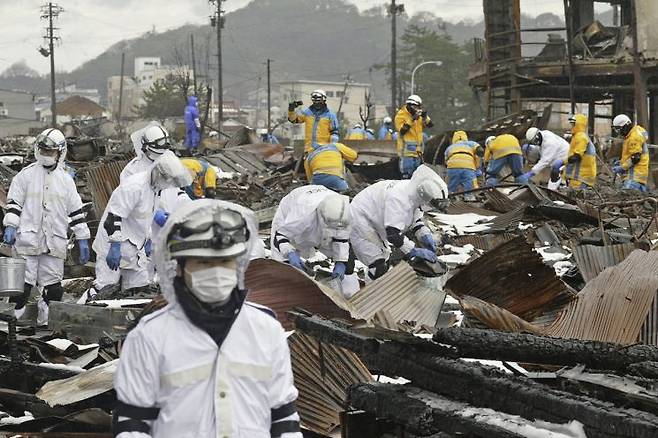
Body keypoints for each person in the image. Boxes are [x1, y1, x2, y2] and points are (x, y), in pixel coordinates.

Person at [113, 200, 301, 438]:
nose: (216, 271)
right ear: (180, 267)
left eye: (225, 261)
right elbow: (132, 425)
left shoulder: (267, 330)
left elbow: (284, 417)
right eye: (204, 262)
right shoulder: (148, 337)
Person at [2, 128, 90, 321]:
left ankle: (46, 325)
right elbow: (14, 205)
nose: (46, 155)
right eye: (43, 151)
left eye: (50, 152)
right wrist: (10, 225)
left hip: (54, 242)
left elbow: (76, 212)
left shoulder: (66, 181)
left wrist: (83, 239)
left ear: (60, 152)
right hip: (28, 240)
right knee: (21, 289)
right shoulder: (24, 177)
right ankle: (9, 328)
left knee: (53, 290)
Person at [90, 151, 192, 297]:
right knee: (104, 289)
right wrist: (115, 245)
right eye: (167, 179)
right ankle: (77, 312)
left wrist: (149, 239)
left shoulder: (155, 191)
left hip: (135, 247)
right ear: (158, 173)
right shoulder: (134, 186)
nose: (168, 184)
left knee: (140, 291)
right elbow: (113, 217)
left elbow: (144, 219)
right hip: (113, 244)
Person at [350, 164, 447, 280]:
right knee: (377, 264)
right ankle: (372, 295)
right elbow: (393, 234)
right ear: (424, 197)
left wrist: (424, 234)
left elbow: (415, 220)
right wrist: (413, 250)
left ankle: (377, 288)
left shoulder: (414, 194)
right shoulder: (399, 199)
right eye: (431, 204)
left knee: (383, 258)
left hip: (375, 216)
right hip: (361, 217)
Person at [271, 186, 357, 296]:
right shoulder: (302, 213)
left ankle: (348, 293)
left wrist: (341, 261)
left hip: (323, 212)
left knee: (347, 261)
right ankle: (287, 295)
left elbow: (342, 237)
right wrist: (290, 253)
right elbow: (280, 236)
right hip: (293, 209)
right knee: (283, 265)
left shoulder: (343, 212)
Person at [395, 95, 433, 178]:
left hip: (418, 152)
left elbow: (430, 125)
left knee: (417, 176)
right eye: (415, 107)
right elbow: (402, 131)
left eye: (418, 107)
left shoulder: (418, 115)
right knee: (407, 175)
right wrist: (411, 119)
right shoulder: (401, 115)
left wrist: (425, 117)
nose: (417, 109)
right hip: (406, 152)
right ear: (409, 105)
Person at [611, 114, 649, 192]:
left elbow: (635, 158)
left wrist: (622, 168)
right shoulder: (637, 131)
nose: (619, 132)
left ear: (625, 127)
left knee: (627, 199)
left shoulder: (633, 137)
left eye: (619, 129)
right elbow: (634, 154)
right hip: (640, 176)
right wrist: (621, 162)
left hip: (633, 176)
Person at [563, 113, 597, 189]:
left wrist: (562, 162)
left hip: (581, 176)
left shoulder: (581, 137)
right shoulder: (577, 136)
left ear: (579, 124)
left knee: (577, 198)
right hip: (579, 176)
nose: (572, 126)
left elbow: (576, 156)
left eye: (573, 124)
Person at [444, 131, 481, 196]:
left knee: (451, 186)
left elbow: (446, 161)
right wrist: (477, 170)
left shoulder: (450, 147)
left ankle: (450, 197)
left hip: (453, 167)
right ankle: (469, 197)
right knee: (470, 188)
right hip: (468, 167)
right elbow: (479, 150)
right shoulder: (470, 144)